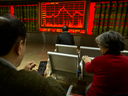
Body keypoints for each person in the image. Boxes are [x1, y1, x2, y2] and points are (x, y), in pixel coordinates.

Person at [0, 14, 66, 96]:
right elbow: (60, 94)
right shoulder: (33, 82)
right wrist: (48, 76)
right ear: (19, 46)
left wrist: (20, 72)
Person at [82, 31, 128, 96]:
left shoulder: (99, 61)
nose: (99, 47)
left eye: (100, 45)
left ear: (107, 48)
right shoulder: (127, 60)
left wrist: (88, 61)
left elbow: (88, 69)